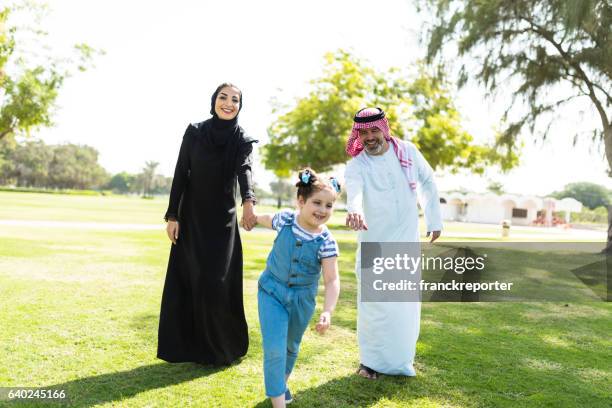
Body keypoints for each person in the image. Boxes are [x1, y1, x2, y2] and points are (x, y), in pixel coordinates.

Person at [157, 83, 258, 366]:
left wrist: (248, 201)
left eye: (235, 100)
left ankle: (220, 347)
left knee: (216, 282)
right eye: (223, 97)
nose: (228, 103)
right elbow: (181, 172)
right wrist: (173, 216)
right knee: (191, 279)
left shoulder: (242, 140)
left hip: (222, 222)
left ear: (240, 105)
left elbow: (245, 171)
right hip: (191, 217)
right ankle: (187, 347)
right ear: (213, 101)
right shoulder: (195, 131)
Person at [344, 107, 442, 379]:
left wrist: (434, 220)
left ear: (384, 129)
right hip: (374, 242)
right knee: (375, 307)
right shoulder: (356, 165)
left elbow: (428, 182)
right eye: (363, 133)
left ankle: (400, 363)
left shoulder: (408, 152)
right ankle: (370, 363)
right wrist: (355, 210)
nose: (370, 137)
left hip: (405, 241)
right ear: (358, 135)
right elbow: (355, 192)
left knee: (403, 306)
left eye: (375, 130)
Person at [250, 169, 341, 407]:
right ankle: (278, 402)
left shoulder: (327, 242)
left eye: (329, 205)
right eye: (317, 202)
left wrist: (327, 311)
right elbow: (265, 218)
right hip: (272, 292)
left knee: (291, 346)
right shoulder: (286, 220)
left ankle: (281, 384)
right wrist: (252, 217)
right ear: (301, 201)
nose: (323, 210)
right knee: (274, 348)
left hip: (303, 300)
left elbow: (331, 280)